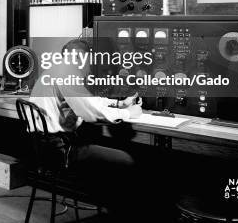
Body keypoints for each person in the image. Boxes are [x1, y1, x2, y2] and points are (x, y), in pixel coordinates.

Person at [28, 38, 155, 222]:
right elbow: (90, 112)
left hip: (46, 149)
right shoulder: (66, 73)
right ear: (81, 58)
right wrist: (129, 112)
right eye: (90, 61)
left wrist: (118, 103)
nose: (89, 68)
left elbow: (86, 100)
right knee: (127, 160)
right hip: (61, 152)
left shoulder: (55, 70)